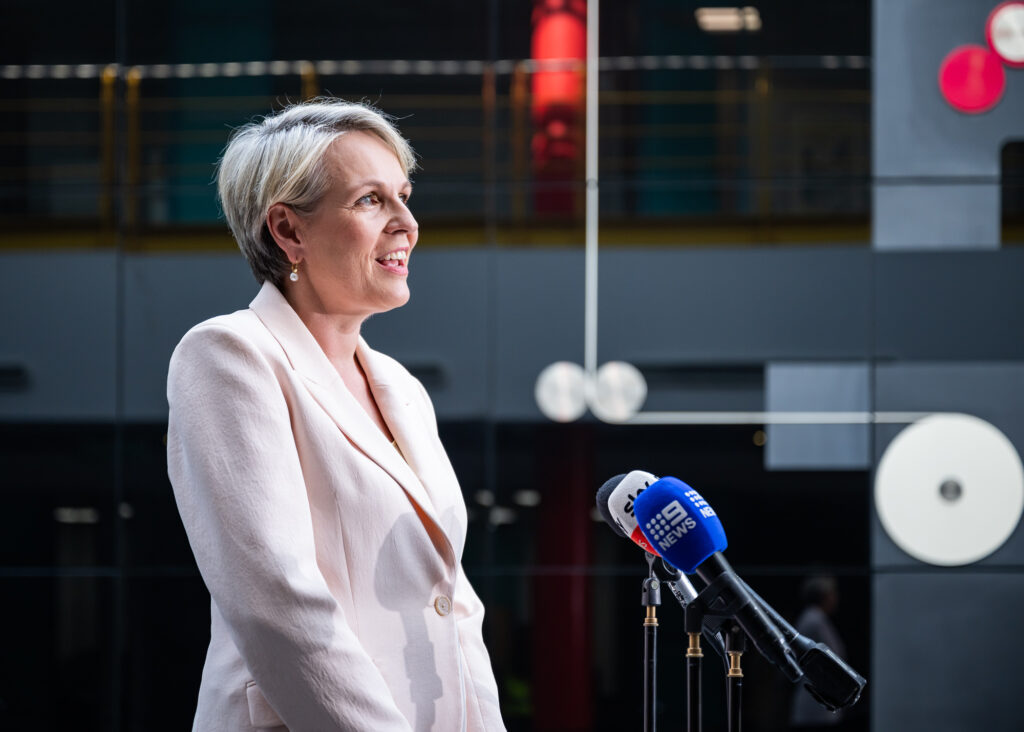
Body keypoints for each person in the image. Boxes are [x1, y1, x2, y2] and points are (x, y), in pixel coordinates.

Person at [167, 99, 506, 731]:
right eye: (370, 200)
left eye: (403, 195)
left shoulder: (402, 388)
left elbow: (456, 609)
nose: (406, 222)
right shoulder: (229, 355)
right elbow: (277, 603)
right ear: (289, 231)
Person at [789, 575, 846, 730]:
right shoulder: (814, 620)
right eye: (832, 594)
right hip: (815, 702)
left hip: (820, 699)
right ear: (824, 596)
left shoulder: (816, 618)